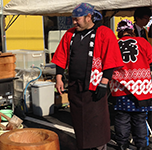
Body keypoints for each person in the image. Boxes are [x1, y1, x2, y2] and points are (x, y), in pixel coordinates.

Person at [51, 2, 124, 150]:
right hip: (74, 86)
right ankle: (83, 146)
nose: (74, 22)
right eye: (73, 19)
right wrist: (59, 77)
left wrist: (104, 82)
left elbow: (111, 58)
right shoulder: (70, 34)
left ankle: (99, 147)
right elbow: (61, 56)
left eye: (77, 19)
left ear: (89, 17)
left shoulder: (104, 32)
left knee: (97, 122)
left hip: (95, 85)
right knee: (79, 122)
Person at [109, 19, 152, 150]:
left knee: (122, 118)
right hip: (141, 88)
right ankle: (142, 145)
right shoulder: (142, 42)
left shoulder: (114, 45)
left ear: (119, 33)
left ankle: (122, 144)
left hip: (120, 88)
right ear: (132, 30)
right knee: (140, 119)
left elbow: (108, 64)